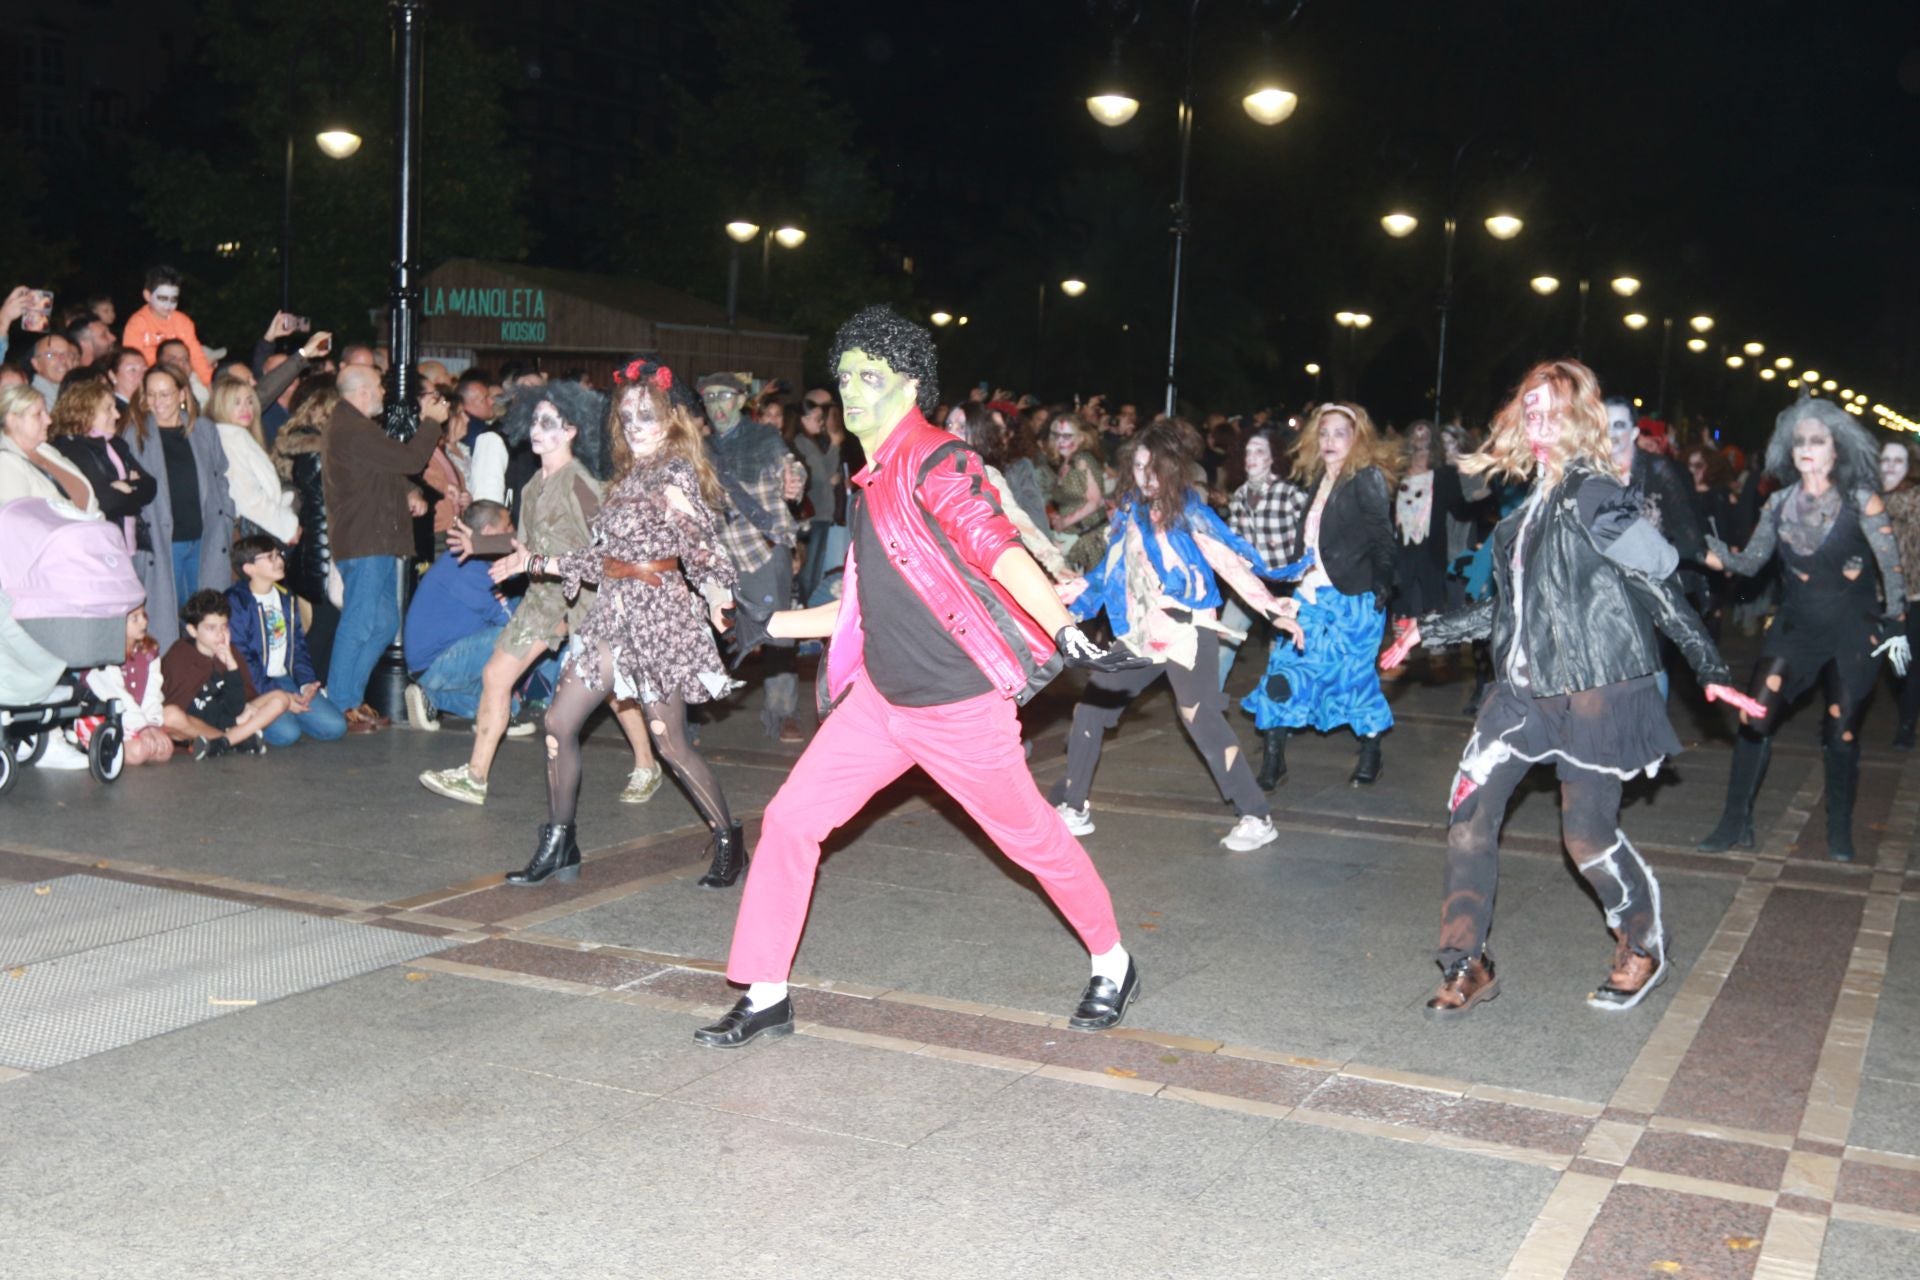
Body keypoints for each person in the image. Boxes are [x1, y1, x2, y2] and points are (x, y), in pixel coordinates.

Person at [695, 307, 1150, 1050]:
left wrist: (1065, 630)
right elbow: (858, 606)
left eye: (869, 377)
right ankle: (766, 991)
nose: (851, 390)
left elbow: (995, 546)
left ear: (910, 386)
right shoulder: (868, 479)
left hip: (959, 708)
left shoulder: (939, 461)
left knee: (1032, 839)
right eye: (844, 376)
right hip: (880, 702)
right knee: (789, 820)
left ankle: (1113, 960)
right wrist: (767, 626)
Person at [1384, 360, 1762, 1018]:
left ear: (1580, 420)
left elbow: (1656, 584)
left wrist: (1713, 670)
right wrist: (1431, 632)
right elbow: (1513, 609)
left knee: (1585, 837)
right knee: (1469, 819)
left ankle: (1640, 939)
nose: (1538, 420)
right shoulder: (1523, 513)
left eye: (1553, 409)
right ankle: (1466, 962)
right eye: (1530, 408)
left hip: (1592, 692)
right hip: (1521, 695)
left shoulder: (1594, 494)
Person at [484, 358, 742, 889]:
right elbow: (599, 560)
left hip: (656, 616)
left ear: (669, 419)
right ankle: (560, 841)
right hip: (611, 614)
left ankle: (727, 837)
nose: (636, 425)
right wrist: (532, 563)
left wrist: (719, 597)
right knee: (558, 724)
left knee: (669, 743)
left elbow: (702, 546)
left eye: (647, 416)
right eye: (627, 416)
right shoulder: (626, 478)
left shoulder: (673, 472)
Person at [1049, 424, 1304, 851]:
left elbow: (1229, 562)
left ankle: (1256, 815)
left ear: (1173, 469)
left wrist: (1272, 609)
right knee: (1091, 709)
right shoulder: (1130, 510)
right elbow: (1112, 572)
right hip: (1141, 635)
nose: (1146, 475)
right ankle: (1073, 806)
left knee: (1201, 720)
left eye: (1155, 467)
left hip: (1187, 632)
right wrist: (1075, 595)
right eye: (1138, 465)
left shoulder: (1188, 511)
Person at [419, 383, 664, 806]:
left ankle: (648, 763)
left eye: (548, 423)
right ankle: (475, 776)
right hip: (544, 600)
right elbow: (525, 546)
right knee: (496, 674)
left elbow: (607, 546)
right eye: (533, 420)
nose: (536, 430)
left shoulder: (580, 484)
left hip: (586, 602)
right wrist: (486, 547)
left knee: (611, 689)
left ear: (571, 431)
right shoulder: (534, 484)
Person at [1697, 396, 1908, 863]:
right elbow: (1750, 564)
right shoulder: (1777, 503)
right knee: (1755, 715)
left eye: (1818, 440)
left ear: (1837, 449)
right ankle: (1735, 822)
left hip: (1853, 629)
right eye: (1799, 441)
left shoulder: (1861, 500)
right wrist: (1696, 548)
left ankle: (1838, 827)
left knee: (1842, 729)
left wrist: (1895, 624)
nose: (1807, 448)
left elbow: (1892, 570)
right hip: (1795, 626)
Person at [1242, 401, 1398, 789]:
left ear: (1356, 439)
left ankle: (1371, 752)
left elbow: (1383, 538)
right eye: (1323, 433)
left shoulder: (1367, 477)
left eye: (1339, 433)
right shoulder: (1319, 479)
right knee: (1281, 673)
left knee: (1355, 680)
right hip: (1308, 598)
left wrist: (1382, 586)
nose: (1329, 441)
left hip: (1352, 600)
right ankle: (1274, 760)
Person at [322, 364, 439, 731]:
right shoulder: (352, 428)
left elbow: (382, 469)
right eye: (377, 387)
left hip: (375, 539)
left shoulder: (356, 429)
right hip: (365, 541)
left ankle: (351, 698)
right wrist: (431, 422)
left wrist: (409, 492)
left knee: (385, 622)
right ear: (360, 393)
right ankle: (340, 702)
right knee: (359, 622)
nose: (383, 394)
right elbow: (408, 459)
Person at [701, 371, 807, 742]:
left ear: (740, 400)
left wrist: (794, 482)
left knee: (778, 633)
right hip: (717, 553)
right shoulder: (700, 449)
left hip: (762, 547)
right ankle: (696, 709)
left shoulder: (764, 437)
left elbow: (790, 469)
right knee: (708, 631)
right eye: (710, 398)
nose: (717, 405)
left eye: (724, 396)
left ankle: (783, 712)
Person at [122, 363, 235, 647]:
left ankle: (208, 682)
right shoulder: (135, 434)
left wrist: (226, 518)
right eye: (152, 395)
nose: (158, 402)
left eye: (166, 394)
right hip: (162, 543)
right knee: (165, 622)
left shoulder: (204, 430)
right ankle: (170, 684)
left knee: (206, 621)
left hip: (205, 540)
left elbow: (220, 475)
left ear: (183, 393)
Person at [225, 535, 348, 746]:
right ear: (249, 568)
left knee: (336, 727)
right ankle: (248, 718)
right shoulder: (236, 602)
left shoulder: (285, 598)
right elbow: (245, 658)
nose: (279, 560)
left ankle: (279, 717)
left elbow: (298, 647)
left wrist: (306, 684)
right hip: (253, 686)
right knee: (287, 735)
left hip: (283, 678)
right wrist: (281, 697)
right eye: (270, 557)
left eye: (278, 554)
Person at [1218, 427, 1307, 694]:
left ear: (1272, 459)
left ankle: (1279, 717)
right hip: (1249, 585)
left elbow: (1312, 534)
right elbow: (1234, 545)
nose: (1251, 457)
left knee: (1281, 653)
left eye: (1259, 452)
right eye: (1248, 451)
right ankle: (1204, 709)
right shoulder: (1239, 497)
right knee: (1224, 641)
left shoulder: (1289, 494)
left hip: (1286, 584)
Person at [944, 402, 1073, 580]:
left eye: (961, 427)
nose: (951, 431)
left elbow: (1023, 518)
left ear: (979, 434)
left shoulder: (987, 474)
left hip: (972, 569)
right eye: (949, 424)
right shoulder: (929, 464)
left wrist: (1055, 565)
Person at [160, 589, 293, 760]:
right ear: (193, 631)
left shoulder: (231, 651)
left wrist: (231, 666)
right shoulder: (180, 654)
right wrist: (234, 723)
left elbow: (236, 706)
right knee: (169, 715)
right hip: (199, 724)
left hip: (230, 720)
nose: (220, 634)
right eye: (211, 628)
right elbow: (183, 708)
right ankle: (237, 741)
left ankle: (223, 744)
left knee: (281, 698)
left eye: (224, 626)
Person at [271, 382, 342, 678]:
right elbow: (322, 508)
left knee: (321, 623)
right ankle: (310, 685)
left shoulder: (303, 445)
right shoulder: (315, 450)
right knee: (322, 624)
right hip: (317, 546)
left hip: (310, 543)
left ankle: (312, 684)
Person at [49, 381, 153, 551]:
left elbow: (150, 486)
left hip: (126, 541)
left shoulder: (116, 444)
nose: (117, 415)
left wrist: (126, 485)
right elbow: (106, 502)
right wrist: (133, 488)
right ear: (85, 412)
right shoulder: (72, 450)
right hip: (98, 546)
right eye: (108, 409)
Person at [209, 374, 299, 544]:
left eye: (249, 401)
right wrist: (288, 526)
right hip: (242, 534)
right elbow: (247, 498)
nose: (246, 409)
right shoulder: (231, 439)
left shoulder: (234, 436)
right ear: (221, 405)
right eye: (236, 403)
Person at [84, 605, 174, 766]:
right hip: (105, 717)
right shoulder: (101, 655)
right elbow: (117, 695)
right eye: (135, 618)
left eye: (144, 615)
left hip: (136, 718)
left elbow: (152, 693)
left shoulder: (149, 652)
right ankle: (89, 746)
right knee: (139, 751)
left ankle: (130, 743)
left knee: (165, 751)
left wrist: (152, 724)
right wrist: (142, 728)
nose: (144, 622)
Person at [0, 385, 98, 516]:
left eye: (46, 412)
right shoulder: (5, 464)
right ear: (12, 420)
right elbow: (17, 522)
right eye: (38, 414)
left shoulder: (47, 450)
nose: (49, 420)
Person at [1880, 438, 1920, 748]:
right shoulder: (1871, 498)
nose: (1890, 467)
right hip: (1878, 594)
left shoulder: (1914, 500)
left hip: (1913, 594)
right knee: (1889, 664)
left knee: (1908, 663)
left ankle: (1906, 726)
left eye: (1898, 462)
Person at [121, 266, 215, 387]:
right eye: (163, 298)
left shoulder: (183, 322)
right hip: (150, 380)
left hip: (183, 376)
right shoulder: (137, 323)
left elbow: (196, 356)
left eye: (174, 300)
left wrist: (210, 383)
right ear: (148, 296)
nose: (168, 305)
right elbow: (132, 361)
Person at [1046, 411, 1110, 572]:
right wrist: (1058, 516)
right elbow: (1072, 500)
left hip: (1089, 540)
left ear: (1081, 438)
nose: (1060, 441)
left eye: (1067, 436)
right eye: (1057, 435)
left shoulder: (1083, 459)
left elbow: (1095, 501)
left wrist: (1064, 521)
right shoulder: (1065, 463)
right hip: (1073, 539)